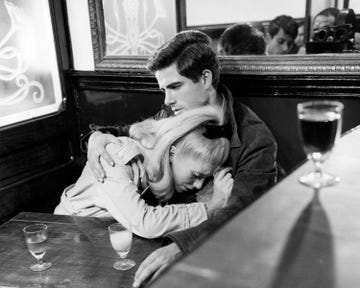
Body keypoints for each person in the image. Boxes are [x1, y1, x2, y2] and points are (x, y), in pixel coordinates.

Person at [85, 30, 277, 287]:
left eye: (175, 86)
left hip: (212, 255)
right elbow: (135, 135)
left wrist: (181, 247)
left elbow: (242, 213)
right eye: (163, 89)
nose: (167, 100)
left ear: (205, 78)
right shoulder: (171, 113)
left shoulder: (255, 138)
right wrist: (96, 138)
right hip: (143, 239)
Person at [55, 105, 233, 238]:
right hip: (69, 237)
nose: (198, 185)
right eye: (196, 175)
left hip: (103, 237)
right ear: (172, 151)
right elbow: (144, 222)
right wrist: (210, 207)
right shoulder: (114, 157)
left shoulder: (160, 168)